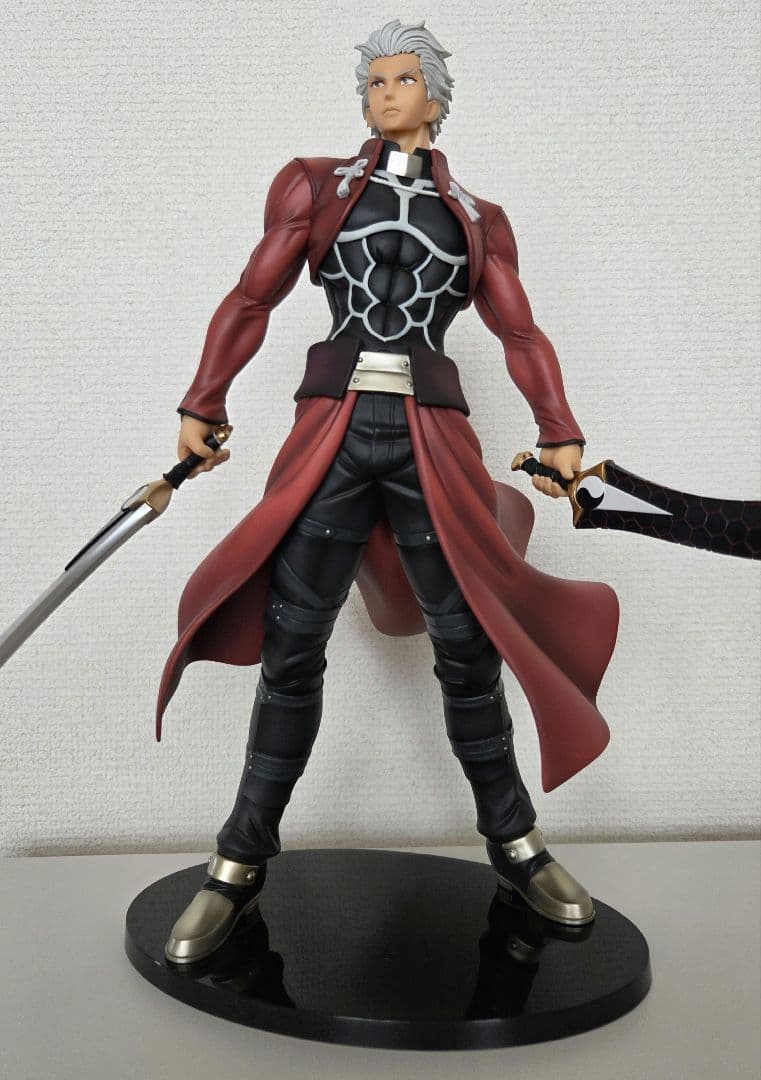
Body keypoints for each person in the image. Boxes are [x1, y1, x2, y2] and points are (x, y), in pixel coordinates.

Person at [161, 19, 619, 965]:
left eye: (401, 79)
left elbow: (519, 334)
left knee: (468, 648)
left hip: (428, 437)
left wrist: (559, 429)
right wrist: (203, 400)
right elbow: (251, 298)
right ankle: (237, 863)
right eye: (372, 81)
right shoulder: (316, 187)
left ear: (436, 95)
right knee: (293, 645)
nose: (383, 94)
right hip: (333, 431)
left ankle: (516, 846)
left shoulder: (477, 218)